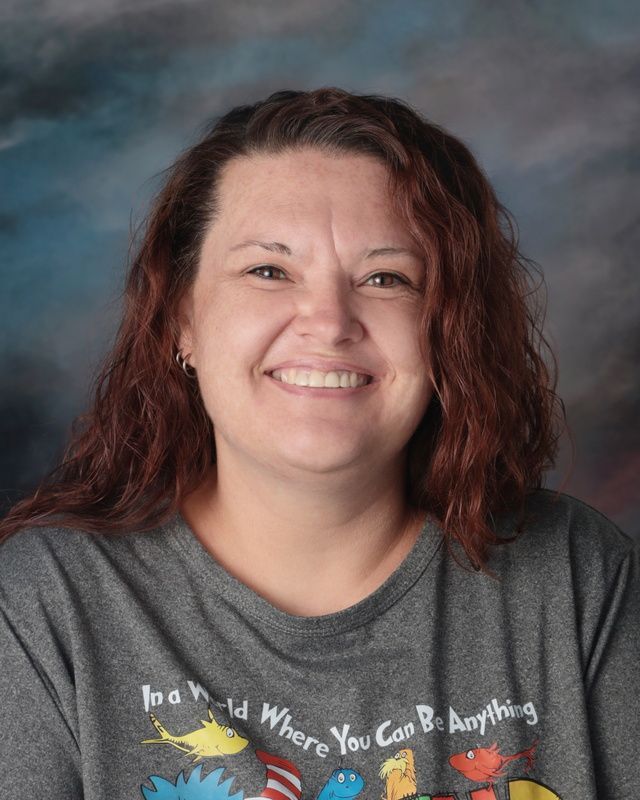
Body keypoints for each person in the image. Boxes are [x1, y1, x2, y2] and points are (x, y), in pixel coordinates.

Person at [0, 87, 637, 800]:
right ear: (182, 320)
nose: (330, 322)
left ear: (448, 332)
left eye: (385, 278)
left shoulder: (576, 577)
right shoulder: (47, 604)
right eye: (268, 271)